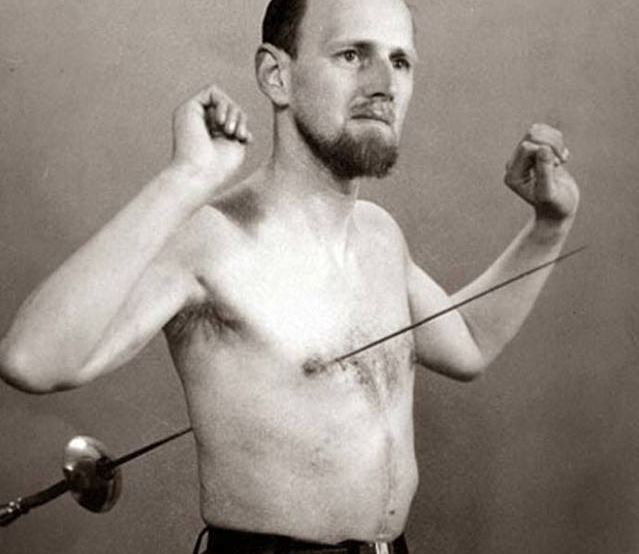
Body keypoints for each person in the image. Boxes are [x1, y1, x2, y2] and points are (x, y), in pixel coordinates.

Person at [0, 0, 579, 552]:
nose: (384, 84)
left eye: (400, 61)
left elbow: (469, 345)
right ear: (276, 76)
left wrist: (549, 227)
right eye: (352, 54)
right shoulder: (210, 241)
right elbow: (31, 360)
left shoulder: (379, 236)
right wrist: (185, 179)